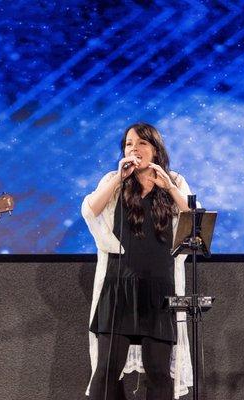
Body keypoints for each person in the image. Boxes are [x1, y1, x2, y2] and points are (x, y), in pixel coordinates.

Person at [82, 122, 193, 399]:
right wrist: (118, 179)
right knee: (107, 369)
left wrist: (169, 188)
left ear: (155, 149)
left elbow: (195, 220)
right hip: (118, 287)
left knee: (158, 371)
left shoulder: (174, 181)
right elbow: (90, 210)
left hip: (159, 290)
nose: (134, 149)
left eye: (142, 143)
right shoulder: (115, 180)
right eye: (129, 144)